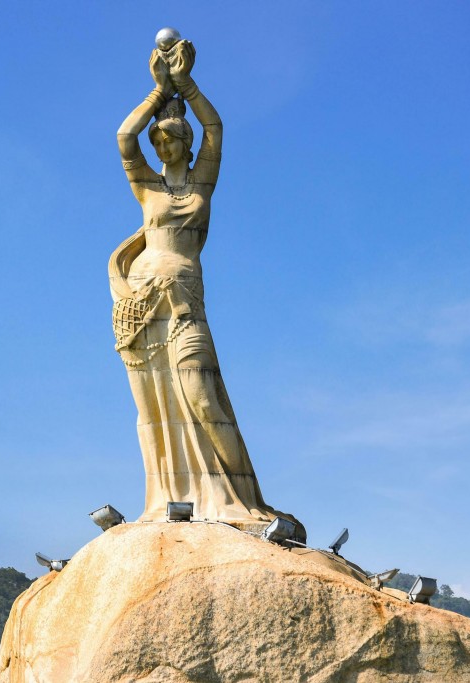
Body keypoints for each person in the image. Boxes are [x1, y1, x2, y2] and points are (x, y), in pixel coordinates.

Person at [111, 40, 294, 531]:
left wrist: (185, 85)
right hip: (139, 305)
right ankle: (167, 498)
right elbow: (124, 137)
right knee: (153, 408)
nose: (162, 147)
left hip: (185, 303)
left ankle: (241, 497)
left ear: (186, 142)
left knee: (202, 395)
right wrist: (157, 92)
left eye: (170, 139)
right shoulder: (147, 187)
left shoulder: (201, 183)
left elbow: (216, 128)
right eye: (158, 141)